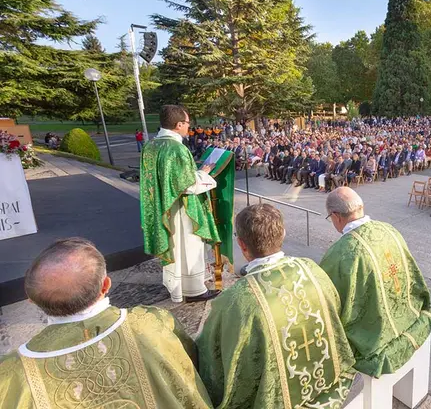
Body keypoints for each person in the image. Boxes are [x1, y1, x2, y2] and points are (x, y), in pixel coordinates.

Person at [0, 238, 212, 408]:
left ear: (30, 299)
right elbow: (190, 365)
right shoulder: (153, 323)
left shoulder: (12, 375)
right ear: (106, 285)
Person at [197, 205, 356, 408]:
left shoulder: (235, 300)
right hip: (331, 383)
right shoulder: (311, 269)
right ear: (283, 234)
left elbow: (212, 354)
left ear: (242, 245)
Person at [319, 187, 431, 377]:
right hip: (411, 316)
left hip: (376, 341)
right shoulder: (389, 229)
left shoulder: (342, 252)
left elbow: (328, 303)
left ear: (336, 216)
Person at [140, 105, 220, 303]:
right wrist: (205, 174)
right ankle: (194, 290)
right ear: (178, 125)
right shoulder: (176, 148)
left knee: (175, 248)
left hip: (163, 207)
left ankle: (175, 285)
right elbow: (187, 185)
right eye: (187, 123)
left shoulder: (151, 145)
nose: (189, 128)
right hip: (182, 210)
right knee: (188, 247)